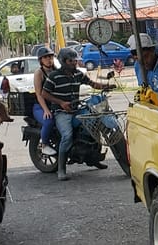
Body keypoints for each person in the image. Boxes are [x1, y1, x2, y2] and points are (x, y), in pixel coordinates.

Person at [41, 47, 114, 181]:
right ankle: (61, 169)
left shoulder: (78, 74)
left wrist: (106, 86)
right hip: (61, 112)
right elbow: (44, 93)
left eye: (75, 60)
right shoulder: (54, 76)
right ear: (63, 61)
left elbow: (92, 83)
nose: (74, 63)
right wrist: (61, 103)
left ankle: (93, 157)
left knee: (94, 122)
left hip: (77, 109)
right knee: (67, 136)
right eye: (71, 61)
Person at [32, 44, 57, 154]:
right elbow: (39, 94)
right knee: (49, 121)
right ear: (41, 60)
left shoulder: (57, 71)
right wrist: (46, 110)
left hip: (55, 104)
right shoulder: (39, 73)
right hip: (40, 106)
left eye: (50, 57)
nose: (49, 60)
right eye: (46, 57)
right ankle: (45, 144)